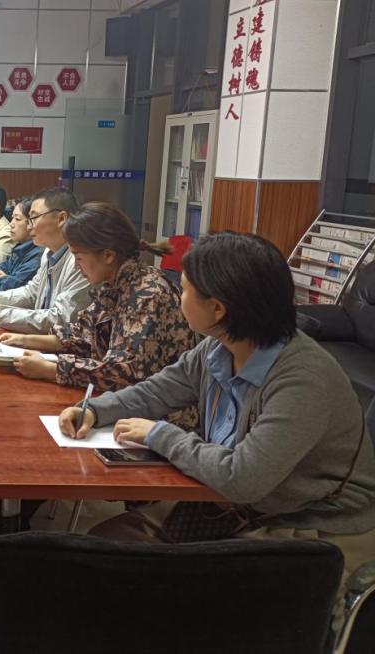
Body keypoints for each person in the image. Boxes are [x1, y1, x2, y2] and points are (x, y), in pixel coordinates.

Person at [59, 232, 375, 587]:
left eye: (184, 289)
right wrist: (94, 410)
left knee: (157, 583)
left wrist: (160, 434)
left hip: (312, 525)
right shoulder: (218, 347)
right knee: (104, 550)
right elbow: (158, 391)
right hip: (239, 507)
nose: (177, 297)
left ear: (217, 308)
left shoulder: (303, 379)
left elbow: (243, 479)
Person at [0, 202, 195, 392]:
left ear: (108, 256)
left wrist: (52, 369)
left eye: (78, 257)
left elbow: (124, 372)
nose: (76, 266)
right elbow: (82, 334)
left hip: (159, 411)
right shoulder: (115, 284)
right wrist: (24, 340)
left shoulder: (147, 294)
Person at [0, 187, 89, 333]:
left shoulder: (81, 261)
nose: (29, 226)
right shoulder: (48, 252)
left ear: (61, 219)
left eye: (33, 218)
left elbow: (60, 319)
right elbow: (32, 293)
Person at [0, 197, 42, 292]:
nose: (11, 224)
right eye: (12, 218)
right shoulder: (20, 247)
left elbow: (15, 285)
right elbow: (1, 267)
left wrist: (0, 279)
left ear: (32, 223)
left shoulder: (38, 254)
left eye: (17, 219)